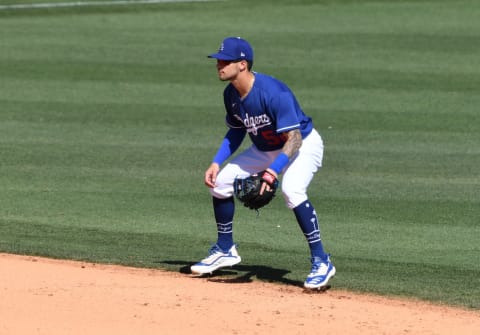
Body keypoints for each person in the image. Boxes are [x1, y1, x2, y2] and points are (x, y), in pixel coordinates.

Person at [191, 37, 335, 289]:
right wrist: (216, 162)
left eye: (225, 61)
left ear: (242, 64)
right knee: (220, 184)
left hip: (303, 145)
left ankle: (322, 261)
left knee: (292, 190)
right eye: (218, 61)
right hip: (265, 148)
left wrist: (273, 171)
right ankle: (226, 249)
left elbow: (295, 138)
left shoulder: (273, 93)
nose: (219, 65)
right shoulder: (231, 95)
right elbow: (237, 130)